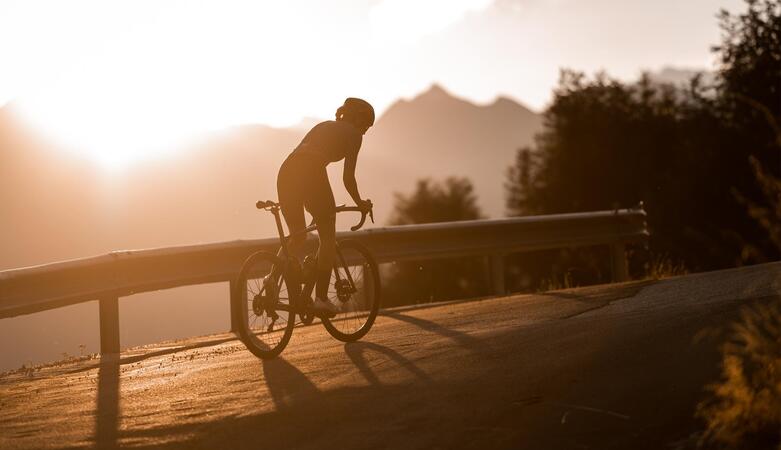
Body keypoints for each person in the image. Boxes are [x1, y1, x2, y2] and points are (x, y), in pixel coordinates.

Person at [276, 97, 374, 316]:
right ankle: (320, 298)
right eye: (366, 125)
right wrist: (360, 203)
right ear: (357, 120)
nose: (365, 132)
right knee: (328, 238)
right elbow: (348, 178)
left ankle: (271, 281)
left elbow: (301, 158)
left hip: (286, 171)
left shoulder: (323, 126)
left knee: (298, 236)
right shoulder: (354, 135)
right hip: (310, 172)